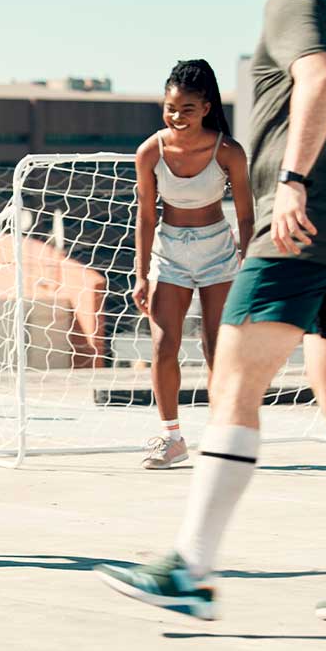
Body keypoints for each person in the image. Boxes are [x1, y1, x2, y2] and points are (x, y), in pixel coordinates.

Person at [96, 0, 326, 621]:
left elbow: (320, 76)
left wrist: (299, 180)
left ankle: (189, 566)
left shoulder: (294, 4)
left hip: (297, 228)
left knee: (233, 384)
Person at [133, 60, 253, 470]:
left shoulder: (229, 152)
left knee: (218, 349)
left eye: (187, 109)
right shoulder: (150, 152)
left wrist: (249, 263)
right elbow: (147, 217)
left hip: (218, 252)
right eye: (170, 108)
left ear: (205, 107)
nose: (177, 117)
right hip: (169, 256)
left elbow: (247, 216)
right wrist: (141, 274)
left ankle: (224, 438)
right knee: (164, 346)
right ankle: (172, 439)